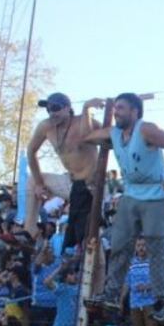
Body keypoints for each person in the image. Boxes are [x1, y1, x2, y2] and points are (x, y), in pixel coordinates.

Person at [83, 93, 164, 322]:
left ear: (135, 111)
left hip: (156, 194)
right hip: (130, 194)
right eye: (115, 108)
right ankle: (111, 294)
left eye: (121, 108)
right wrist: (87, 110)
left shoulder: (145, 129)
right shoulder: (114, 133)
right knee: (120, 245)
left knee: (155, 246)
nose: (116, 112)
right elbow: (88, 137)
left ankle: (160, 299)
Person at [25, 93, 106, 245]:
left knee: (88, 233)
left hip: (91, 185)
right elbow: (31, 151)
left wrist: (90, 109)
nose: (52, 113)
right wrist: (39, 184)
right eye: (48, 109)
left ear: (68, 108)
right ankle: (30, 232)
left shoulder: (84, 122)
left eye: (56, 108)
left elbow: (111, 136)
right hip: (70, 182)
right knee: (31, 181)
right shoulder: (46, 127)